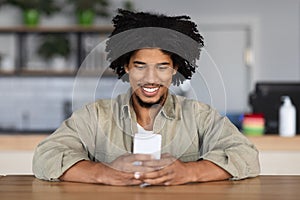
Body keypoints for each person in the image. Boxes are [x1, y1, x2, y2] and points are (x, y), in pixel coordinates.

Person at [32, 9, 260, 186]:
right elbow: (45, 157)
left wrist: (190, 172)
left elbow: (246, 156)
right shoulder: (95, 115)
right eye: (140, 67)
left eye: (162, 67)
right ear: (126, 67)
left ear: (174, 69)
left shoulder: (200, 116)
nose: (151, 79)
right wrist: (103, 173)